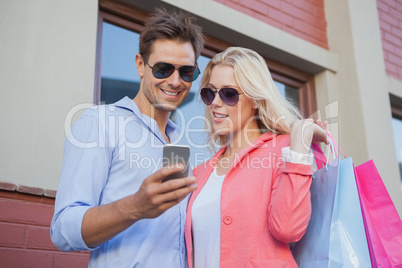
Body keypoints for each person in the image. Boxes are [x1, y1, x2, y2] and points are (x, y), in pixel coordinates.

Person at [51, 8, 204, 267]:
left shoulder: (181, 143)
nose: (176, 81)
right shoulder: (100, 123)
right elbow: (63, 230)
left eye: (186, 72)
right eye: (164, 69)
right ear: (140, 65)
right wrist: (135, 206)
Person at [184, 47, 329, 267]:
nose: (215, 102)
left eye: (228, 94)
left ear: (254, 100)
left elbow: (288, 229)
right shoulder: (200, 172)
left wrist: (300, 145)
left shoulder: (285, 150)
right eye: (209, 92)